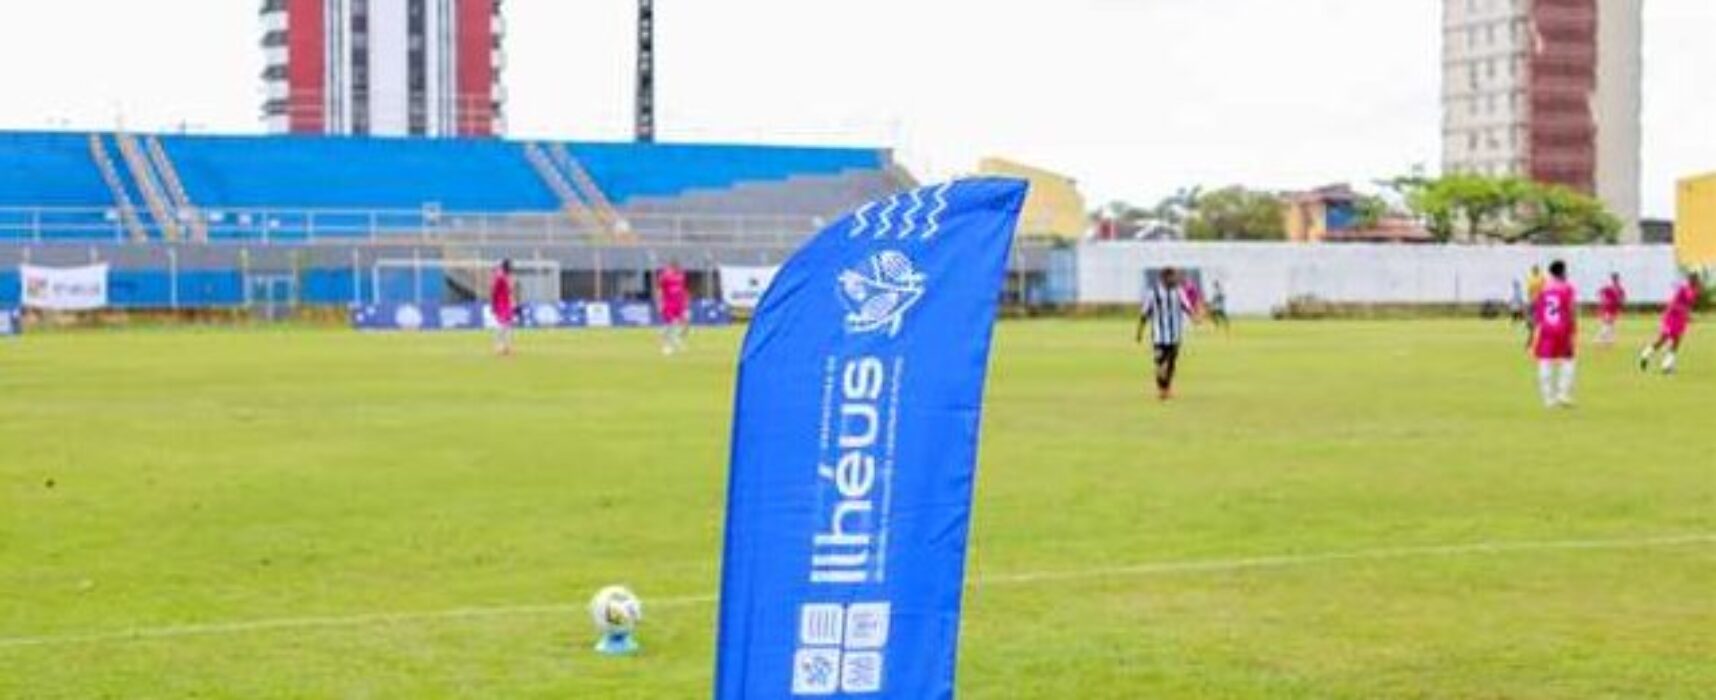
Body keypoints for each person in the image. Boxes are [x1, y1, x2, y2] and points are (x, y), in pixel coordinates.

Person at [1135, 267, 1197, 401]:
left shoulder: (1179, 292)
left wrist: (1194, 317)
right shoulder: (1153, 293)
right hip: (1159, 335)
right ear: (1163, 279)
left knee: (1171, 363)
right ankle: (1161, 389)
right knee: (1160, 362)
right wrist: (1139, 332)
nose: (1174, 280)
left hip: (1175, 335)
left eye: (1174, 277)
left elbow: (1186, 306)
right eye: (1171, 277)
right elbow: (1144, 313)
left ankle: (1166, 388)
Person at [1530, 260, 1578, 408]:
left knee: (1545, 363)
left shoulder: (1543, 290)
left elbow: (1537, 314)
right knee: (1568, 361)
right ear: (1563, 272)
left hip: (1546, 330)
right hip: (1563, 329)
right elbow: (1571, 309)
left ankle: (1548, 399)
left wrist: (1534, 335)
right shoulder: (1568, 288)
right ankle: (1563, 394)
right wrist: (1573, 328)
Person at [1639, 271, 1701, 374]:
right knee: (1663, 340)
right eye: (1694, 279)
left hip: (1680, 319)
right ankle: (1646, 356)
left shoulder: (1693, 290)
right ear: (1690, 280)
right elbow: (1674, 304)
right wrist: (1686, 313)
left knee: (1676, 342)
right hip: (1671, 317)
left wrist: (1687, 315)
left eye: (1696, 279)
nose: (1696, 281)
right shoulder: (1684, 289)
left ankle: (1666, 366)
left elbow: (1687, 305)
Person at [656, 260, 691, 355]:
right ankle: (667, 345)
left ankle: (675, 339)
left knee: (685, 324)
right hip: (669, 304)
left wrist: (686, 301)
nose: (677, 269)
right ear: (671, 267)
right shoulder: (664, 276)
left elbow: (683, 289)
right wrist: (659, 303)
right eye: (675, 267)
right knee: (671, 324)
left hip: (680, 304)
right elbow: (660, 290)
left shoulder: (681, 276)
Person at [491, 259, 516, 356]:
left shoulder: (506, 277)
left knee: (508, 326)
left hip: (507, 304)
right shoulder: (500, 277)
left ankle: (507, 347)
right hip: (501, 304)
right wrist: (494, 305)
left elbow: (509, 291)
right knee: (501, 326)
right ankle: (497, 346)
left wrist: (512, 300)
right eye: (510, 266)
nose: (511, 268)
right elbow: (494, 292)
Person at [1597, 273, 1626, 345]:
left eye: (1616, 279)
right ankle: (1602, 338)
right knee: (1607, 323)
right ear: (1613, 279)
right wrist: (1604, 300)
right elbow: (1600, 292)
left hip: (1614, 309)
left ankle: (1609, 339)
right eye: (1615, 279)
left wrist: (1620, 303)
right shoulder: (1609, 287)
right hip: (1608, 308)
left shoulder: (1619, 288)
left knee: (1611, 324)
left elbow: (1622, 298)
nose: (1616, 280)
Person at [1523, 265, 1547, 349]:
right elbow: (1545, 290)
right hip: (1539, 302)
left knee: (1532, 322)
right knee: (1539, 322)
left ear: (1533, 271)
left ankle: (1530, 339)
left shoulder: (1531, 279)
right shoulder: (1542, 279)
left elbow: (1528, 291)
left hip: (1533, 302)